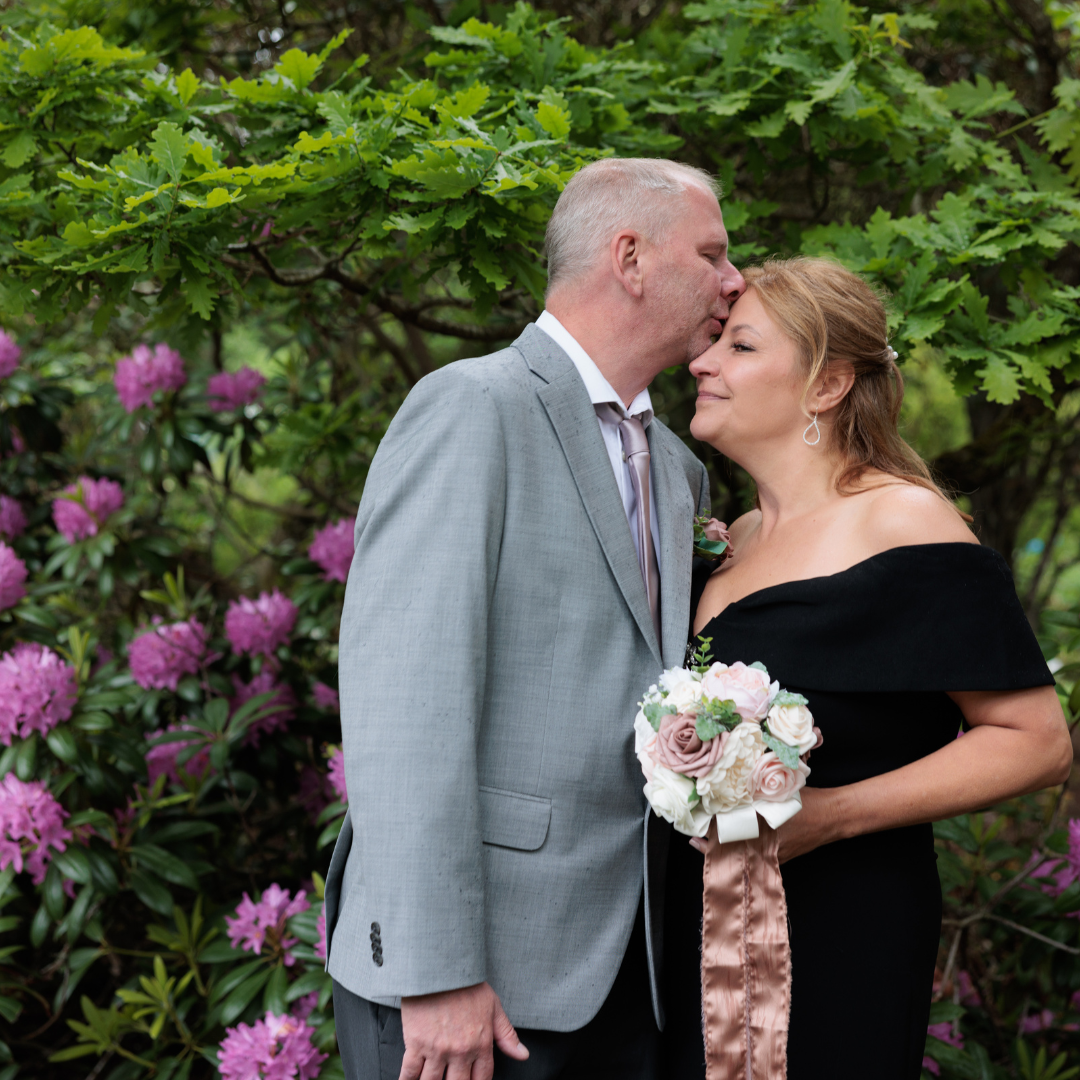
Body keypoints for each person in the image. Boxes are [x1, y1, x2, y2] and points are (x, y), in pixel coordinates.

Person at [324, 157, 746, 1080]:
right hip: (470, 981)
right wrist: (437, 972)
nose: (734, 281)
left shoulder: (679, 470)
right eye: (712, 254)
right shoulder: (473, 407)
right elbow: (406, 703)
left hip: (630, 974)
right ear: (629, 257)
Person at [679, 256, 1073, 1078]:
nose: (702, 362)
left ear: (826, 386)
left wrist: (833, 816)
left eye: (740, 346)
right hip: (698, 932)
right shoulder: (733, 538)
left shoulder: (903, 519)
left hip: (843, 927)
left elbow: (1036, 740)